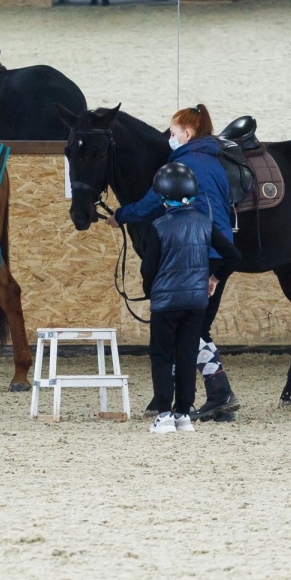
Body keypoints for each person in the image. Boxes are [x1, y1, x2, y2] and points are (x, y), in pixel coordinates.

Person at [107, 104, 241, 420]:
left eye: (173, 131)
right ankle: (199, 399)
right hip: (215, 255)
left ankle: (217, 394)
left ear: (188, 133)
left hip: (195, 256)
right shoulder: (215, 164)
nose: (170, 136)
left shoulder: (184, 166)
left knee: (188, 332)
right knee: (195, 329)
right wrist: (216, 274)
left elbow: (152, 203)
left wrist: (120, 216)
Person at [140, 163, 241, 434]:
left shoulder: (158, 227)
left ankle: (163, 416)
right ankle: (183, 415)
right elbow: (232, 255)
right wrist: (213, 279)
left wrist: (151, 292)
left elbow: (148, 269)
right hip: (197, 302)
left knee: (162, 357)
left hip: (165, 304)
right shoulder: (205, 223)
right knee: (186, 356)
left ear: (162, 197)